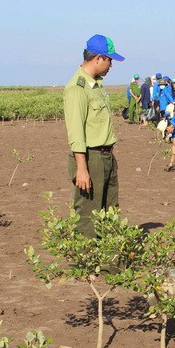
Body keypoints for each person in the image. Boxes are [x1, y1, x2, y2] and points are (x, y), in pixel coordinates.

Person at [63, 34, 124, 238]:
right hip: (90, 158)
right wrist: (82, 168)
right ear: (98, 58)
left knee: (110, 211)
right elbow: (76, 132)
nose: (111, 65)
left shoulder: (96, 85)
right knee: (89, 215)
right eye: (109, 60)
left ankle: (108, 266)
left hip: (106, 156)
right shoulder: (77, 88)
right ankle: (86, 267)